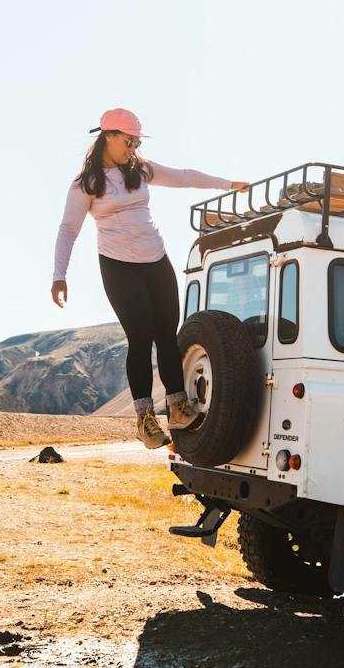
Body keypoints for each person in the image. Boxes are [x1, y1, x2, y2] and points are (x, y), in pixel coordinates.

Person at [51, 108, 248, 449]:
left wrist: (228, 184)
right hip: (118, 266)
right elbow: (69, 229)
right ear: (108, 137)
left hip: (156, 260)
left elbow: (184, 176)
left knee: (167, 335)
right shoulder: (87, 184)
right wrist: (59, 275)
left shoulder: (140, 170)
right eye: (129, 141)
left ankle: (178, 407)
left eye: (137, 141)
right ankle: (145, 421)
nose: (133, 147)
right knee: (140, 339)